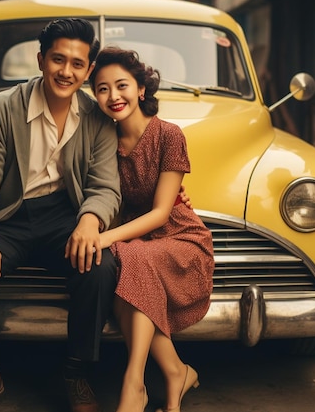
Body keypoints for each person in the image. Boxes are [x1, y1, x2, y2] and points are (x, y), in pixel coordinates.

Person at [0, 19, 122, 412]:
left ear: (88, 70)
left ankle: (76, 371)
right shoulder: (1, 109)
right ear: (40, 59)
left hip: (65, 216)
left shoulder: (98, 119)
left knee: (100, 269)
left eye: (77, 64)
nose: (66, 71)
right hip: (7, 217)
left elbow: (105, 186)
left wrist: (91, 220)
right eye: (57, 59)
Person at [88, 47, 214, 412]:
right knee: (130, 262)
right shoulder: (103, 141)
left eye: (122, 85)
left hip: (180, 238)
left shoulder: (169, 134)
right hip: (137, 242)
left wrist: (107, 236)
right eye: (102, 89)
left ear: (141, 88)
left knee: (131, 256)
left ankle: (134, 382)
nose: (114, 96)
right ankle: (175, 372)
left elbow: (161, 213)